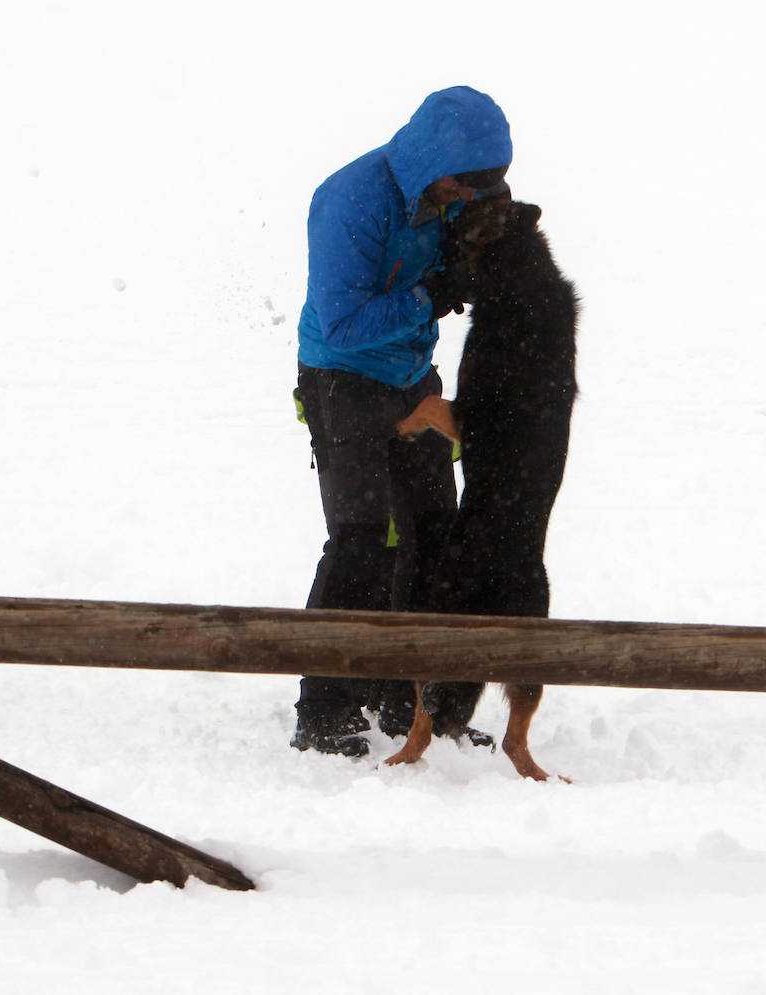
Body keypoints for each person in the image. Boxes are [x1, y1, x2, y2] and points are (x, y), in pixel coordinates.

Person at [290, 87, 512, 757]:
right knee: (361, 538)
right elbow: (344, 322)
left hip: (413, 379)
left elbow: (465, 253)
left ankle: (406, 705)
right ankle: (325, 710)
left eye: (486, 185)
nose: (472, 197)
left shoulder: (454, 195)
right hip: (343, 379)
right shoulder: (351, 200)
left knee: (432, 539)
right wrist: (430, 296)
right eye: (466, 184)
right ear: (434, 163)